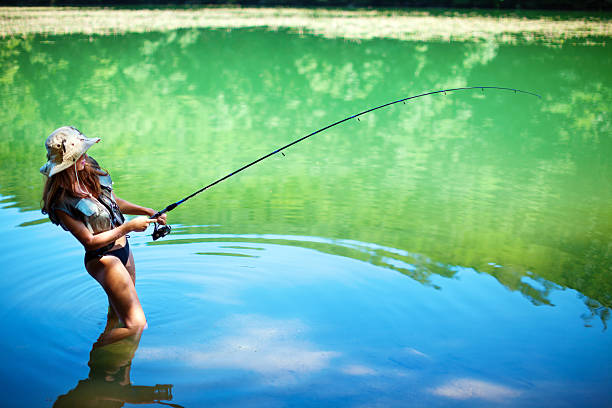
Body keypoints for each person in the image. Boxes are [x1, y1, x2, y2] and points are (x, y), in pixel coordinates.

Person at [40, 126, 167, 346]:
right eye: (79, 155)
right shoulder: (61, 202)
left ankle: (119, 376)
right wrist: (128, 228)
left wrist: (147, 212)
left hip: (123, 249)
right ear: (66, 164)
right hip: (103, 259)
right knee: (136, 325)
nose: (86, 157)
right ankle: (94, 353)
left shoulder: (89, 168)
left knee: (117, 315)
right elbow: (88, 241)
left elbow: (114, 202)